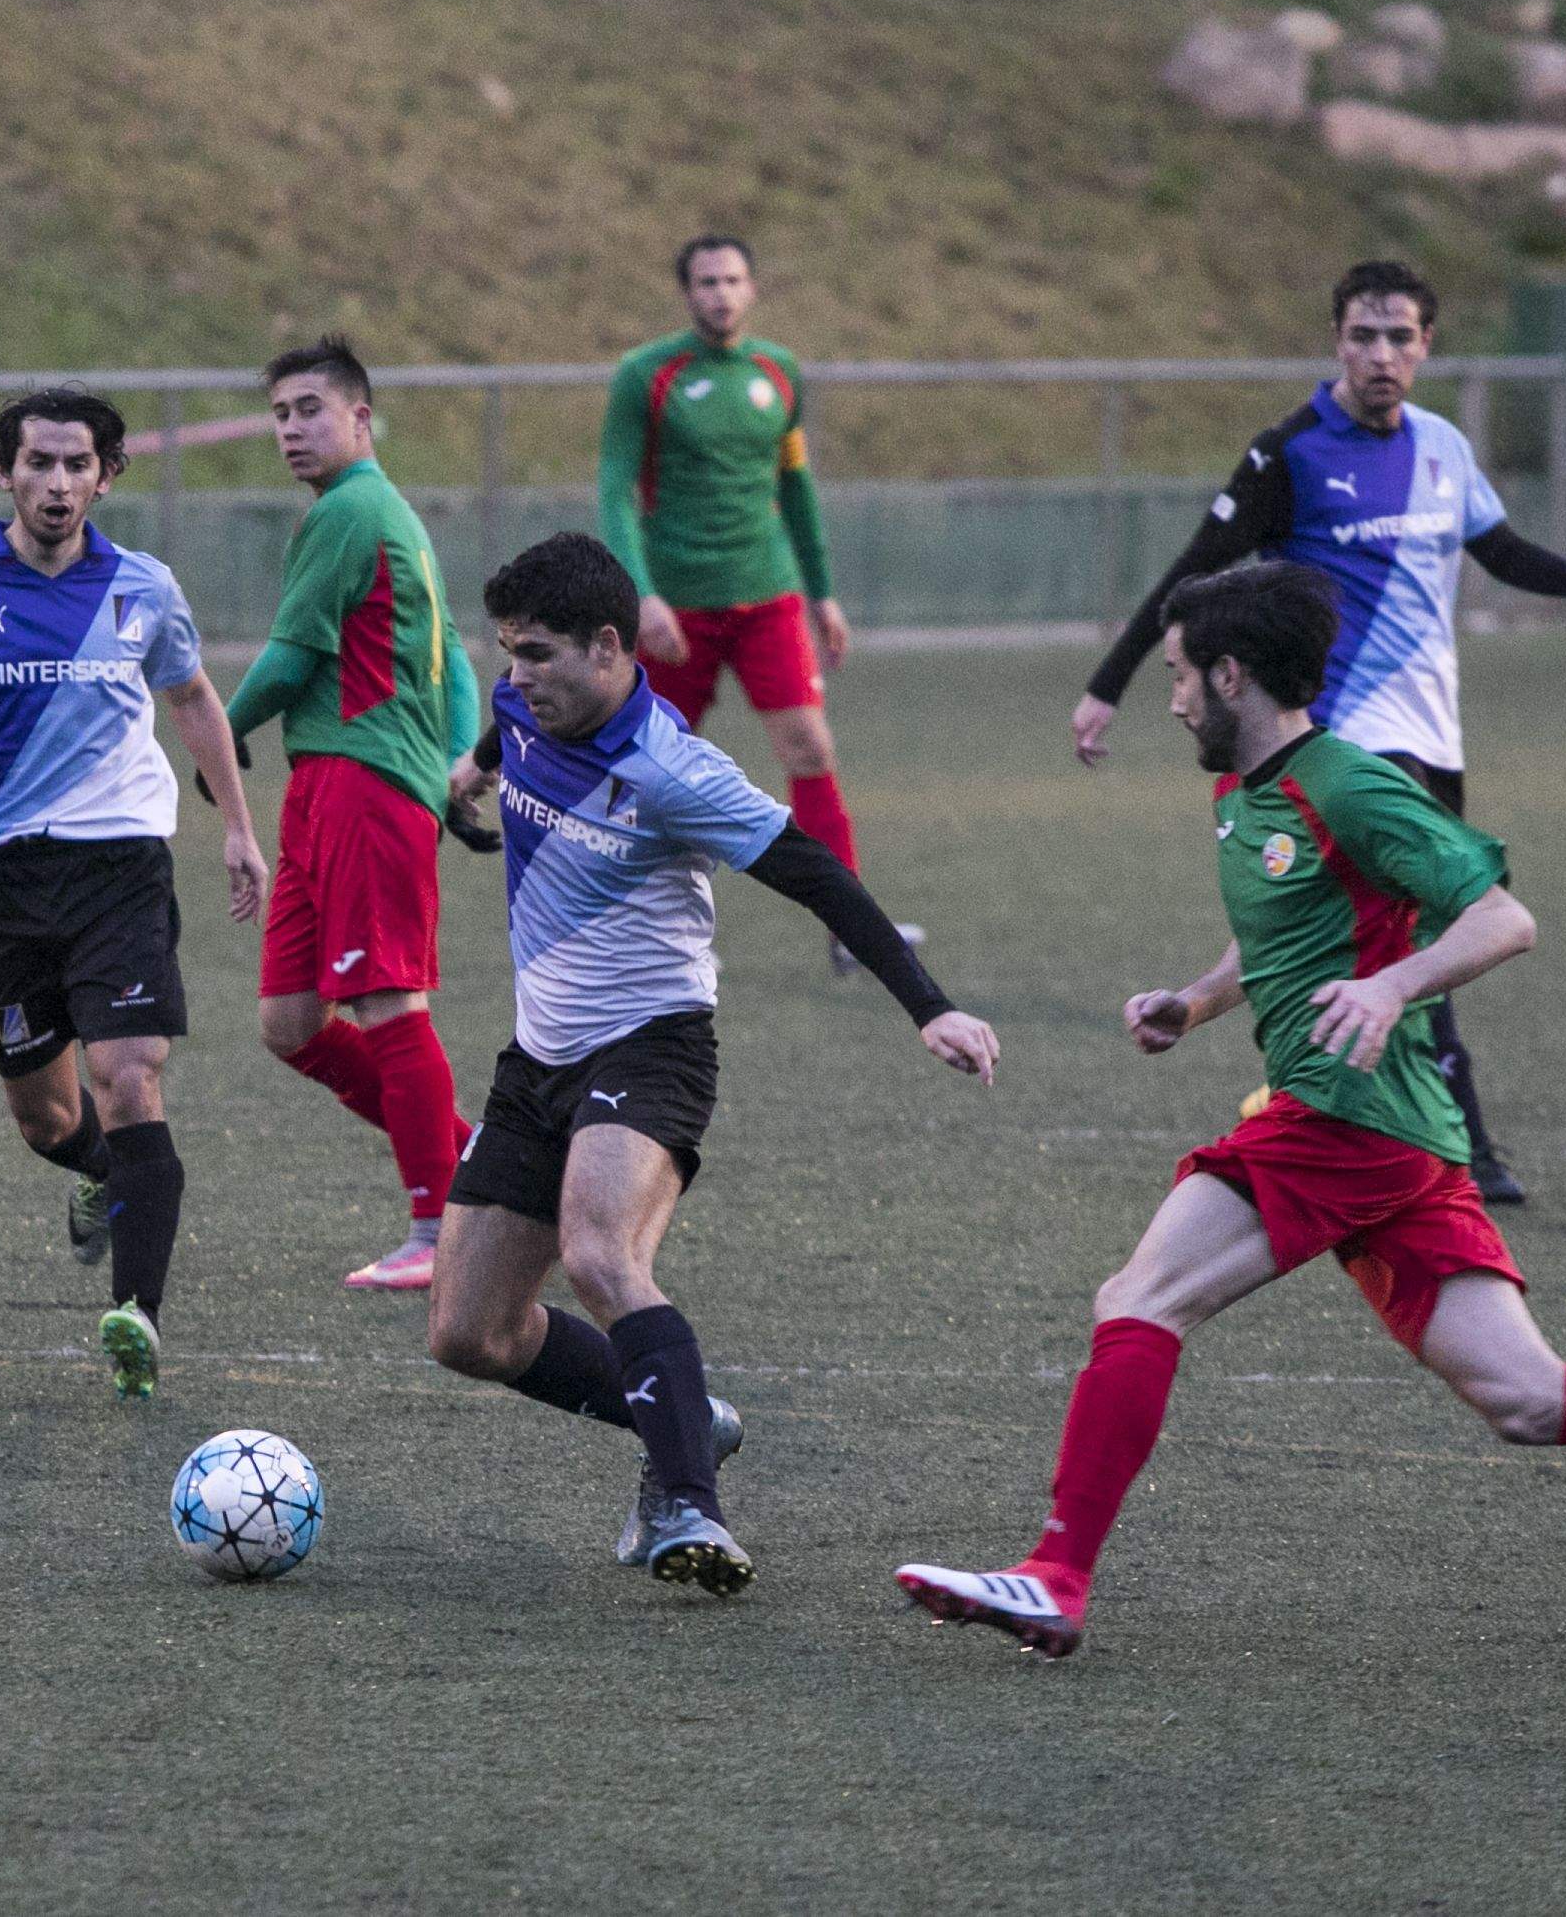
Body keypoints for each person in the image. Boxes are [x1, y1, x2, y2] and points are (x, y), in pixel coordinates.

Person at [898, 559, 1566, 1660]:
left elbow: (1504, 918)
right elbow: (1286, 929)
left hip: (1341, 1117)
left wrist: (1394, 985)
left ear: (1232, 674)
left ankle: (1056, 1575)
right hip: (1398, 1134)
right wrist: (1198, 1001)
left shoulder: (1348, 783)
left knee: (1141, 1299)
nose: (1170, 701)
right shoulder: (1244, 795)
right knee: (1530, 1399)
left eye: (1179, 678)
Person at [428, 533, 1003, 1597]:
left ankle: (688, 1503)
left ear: (611, 648)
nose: (517, 676)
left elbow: (819, 874)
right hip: (537, 1061)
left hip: (653, 1047)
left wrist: (931, 1006)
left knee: (602, 1255)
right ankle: (688, 1408)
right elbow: (504, 734)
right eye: (507, 652)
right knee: (469, 1332)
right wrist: (468, 776)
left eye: (539, 654)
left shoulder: (675, 770)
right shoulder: (525, 708)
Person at [1070, 259, 1566, 1206]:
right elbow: (1198, 568)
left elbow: (1497, 550)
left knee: (1406, 936)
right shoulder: (1289, 453)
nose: (1381, 355)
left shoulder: (1442, 448)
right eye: (1362, 336)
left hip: (1434, 735)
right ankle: (1441, 1139)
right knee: (1380, 934)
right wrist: (1108, 684)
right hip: (1337, 741)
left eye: (1401, 337)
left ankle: (1374, 1115)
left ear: (1427, 345)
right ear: (1336, 341)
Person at [0, 389, 265, 1398]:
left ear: (107, 477)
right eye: (40, 463)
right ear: (3, 472)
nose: (58, 483)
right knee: (45, 1115)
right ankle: (106, 1178)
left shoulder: (143, 588)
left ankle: (137, 1318)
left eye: (79, 465)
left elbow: (195, 698)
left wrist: (240, 827)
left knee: (129, 1077)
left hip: (119, 864)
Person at [225, 336, 486, 1294]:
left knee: (386, 1003)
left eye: (310, 410)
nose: (291, 430)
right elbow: (453, 654)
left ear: (360, 418)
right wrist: (458, 760)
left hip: (363, 783)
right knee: (290, 1022)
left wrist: (216, 734)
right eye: (281, 414)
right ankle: (480, 1159)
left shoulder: (349, 510)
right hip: (327, 787)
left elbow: (291, 659)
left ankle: (438, 1227)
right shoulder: (391, 516)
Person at [598, 233, 919, 976]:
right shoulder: (646, 374)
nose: (720, 293)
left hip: (768, 598)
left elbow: (796, 487)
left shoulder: (780, 372)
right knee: (641, 764)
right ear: (687, 293)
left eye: (733, 279)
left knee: (811, 746)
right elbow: (614, 486)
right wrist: (641, 594)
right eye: (706, 281)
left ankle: (851, 930)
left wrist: (824, 592)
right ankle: (607, 913)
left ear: (752, 289)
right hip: (676, 607)